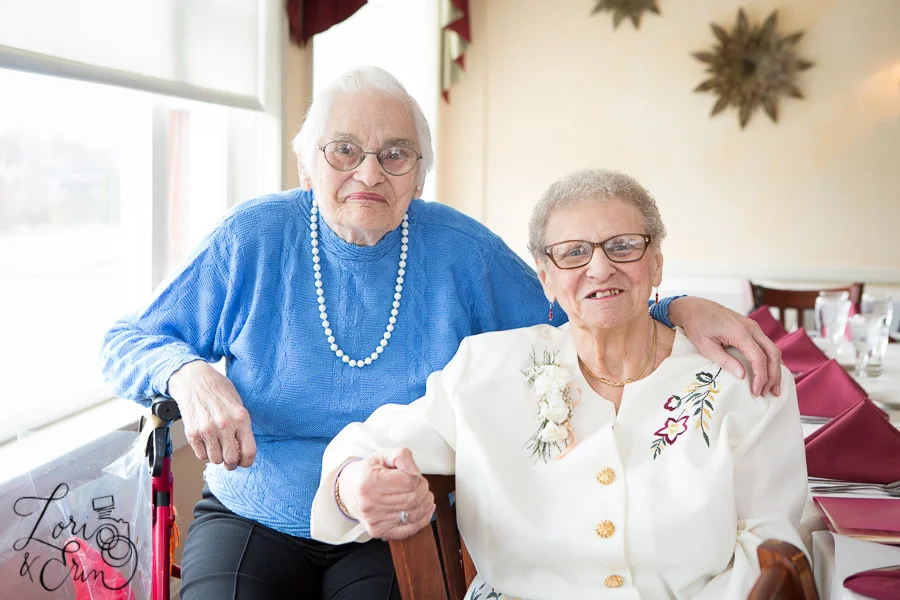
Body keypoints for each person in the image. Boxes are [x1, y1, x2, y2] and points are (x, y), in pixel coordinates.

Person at [100, 67, 784, 599]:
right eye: (345, 150)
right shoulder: (252, 237)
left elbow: (577, 303)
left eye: (395, 154)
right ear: (306, 161)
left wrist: (676, 308)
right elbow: (127, 338)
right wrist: (187, 373)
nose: (369, 172)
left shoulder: (463, 253)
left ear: (419, 174)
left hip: (394, 521)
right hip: (256, 509)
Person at [311, 169, 807, 600]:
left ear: (656, 261)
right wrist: (355, 484)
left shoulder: (741, 378)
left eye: (623, 246)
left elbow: (772, 549)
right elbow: (366, 446)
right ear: (545, 277)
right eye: (572, 253)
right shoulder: (488, 369)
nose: (599, 266)